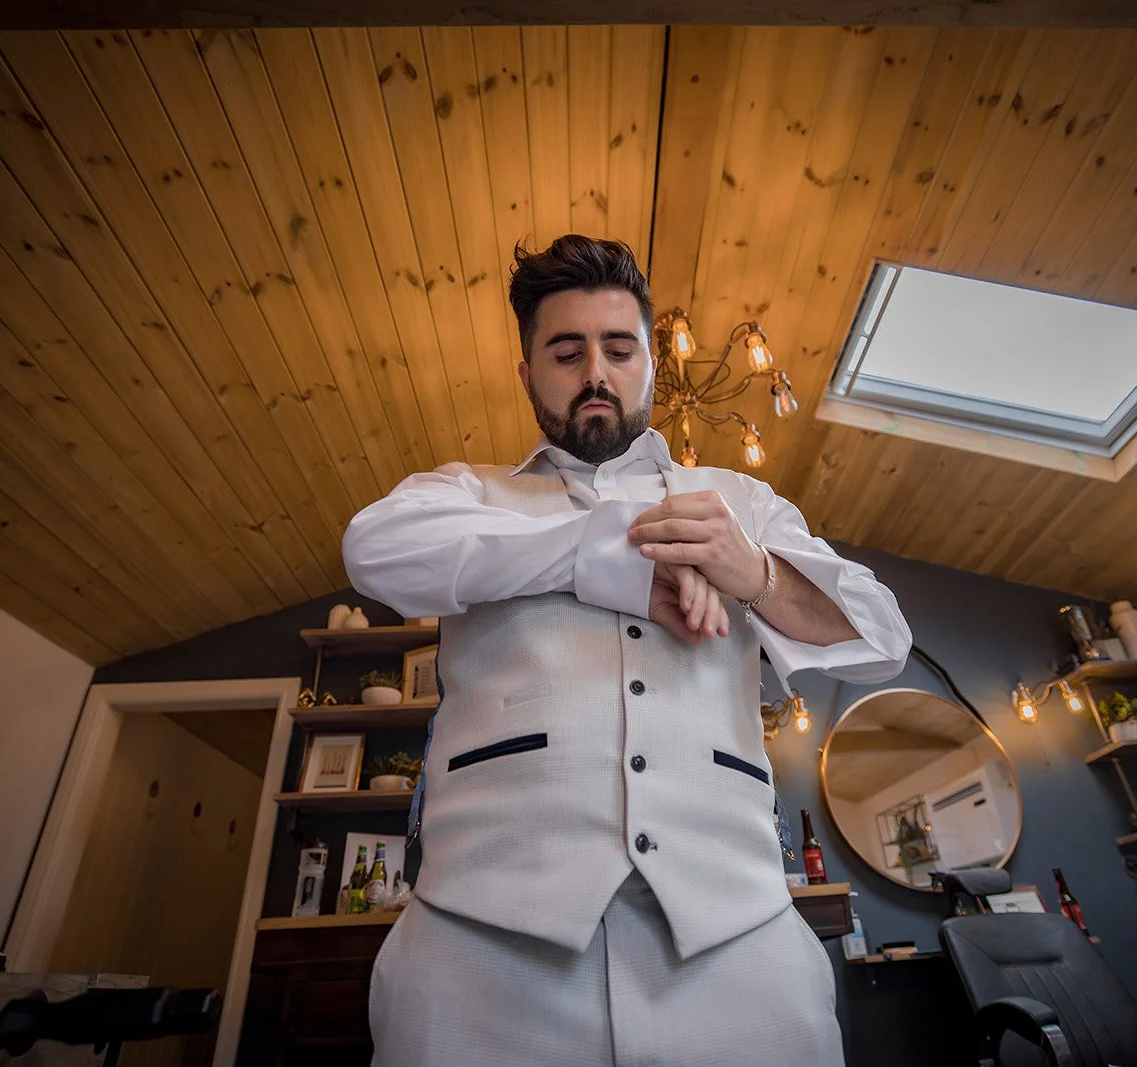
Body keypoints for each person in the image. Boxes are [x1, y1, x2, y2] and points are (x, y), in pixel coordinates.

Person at [343, 235, 911, 1066]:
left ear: (652, 363)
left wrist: (750, 571)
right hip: (478, 956)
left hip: (739, 943)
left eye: (619, 348)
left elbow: (881, 636)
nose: (595, 373)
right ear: (528, 373)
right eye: (566, 352)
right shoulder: (462, 493)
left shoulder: (740, 500)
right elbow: (374, 549)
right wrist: (601, 557)